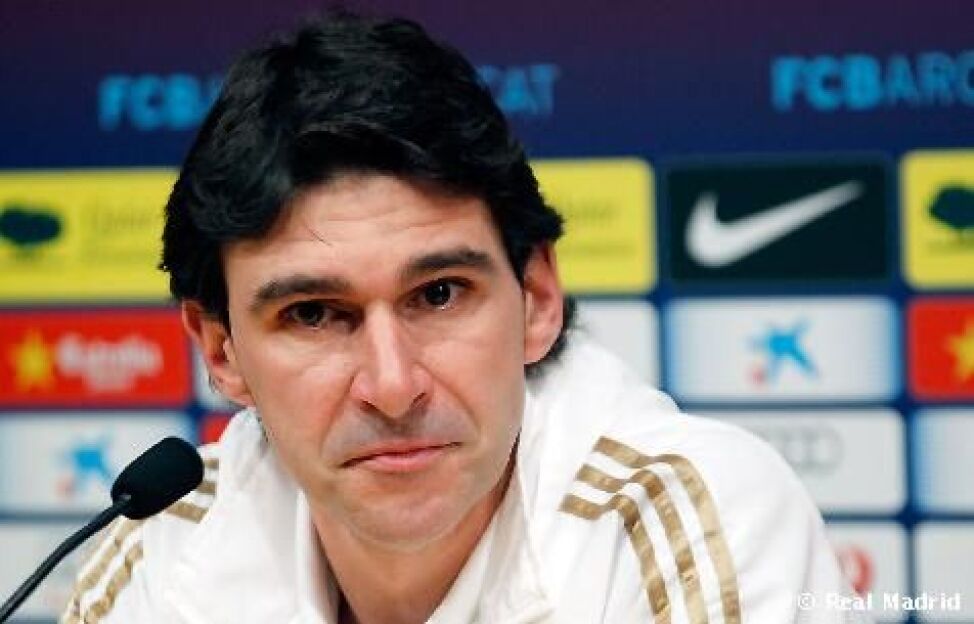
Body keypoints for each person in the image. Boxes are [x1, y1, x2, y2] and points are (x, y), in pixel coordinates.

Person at [62, 11, 864, 624]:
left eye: (439, 294)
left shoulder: (684, 523)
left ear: (537, 300)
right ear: (221, 351)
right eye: (314, 314)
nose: (392, 386)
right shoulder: (161, 545)